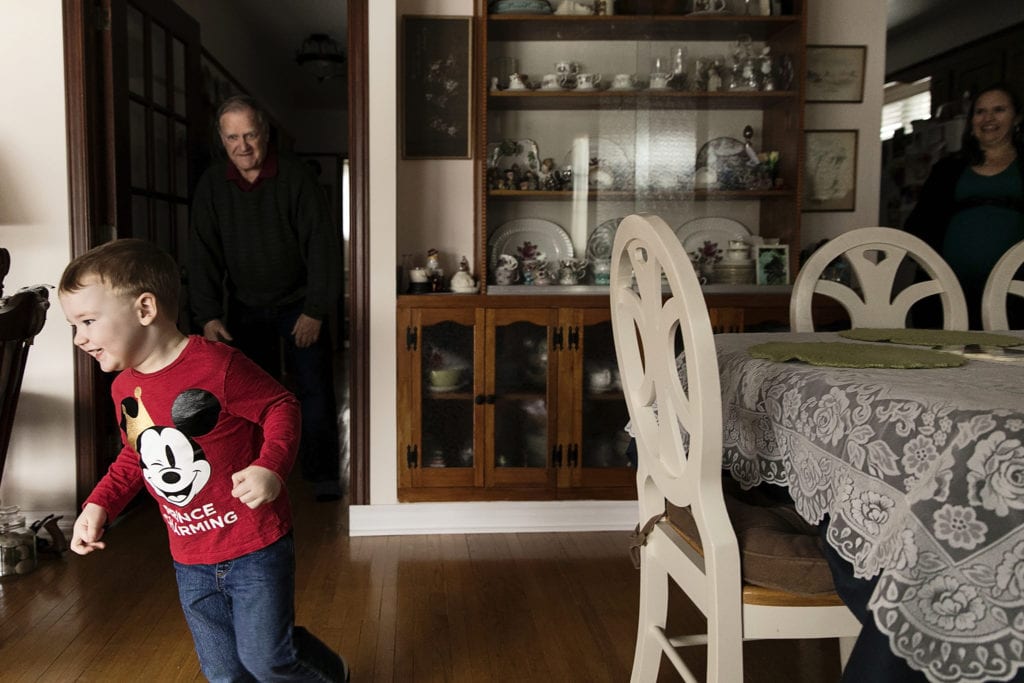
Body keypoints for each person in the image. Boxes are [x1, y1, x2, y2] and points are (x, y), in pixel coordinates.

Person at [59, 238, 349, 682]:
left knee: (267, 660)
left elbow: (281, 406)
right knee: (223, 671)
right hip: (190, 554)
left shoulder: (217, 366)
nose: (79, 338)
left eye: (88, 321)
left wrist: (271, 465)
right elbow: (137, 457)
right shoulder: (124, 389)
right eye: (73, 326)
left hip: (255, 545)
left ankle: (326, 670)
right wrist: (99, 504)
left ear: (145, 309)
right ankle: (280, 643)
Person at [188, 95, 343, 501]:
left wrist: (315, 310)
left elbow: (323, 247)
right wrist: (207, 315)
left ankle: (322, 475)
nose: (243, 145)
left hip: (299, 306)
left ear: (265, 134)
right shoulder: (212, 185)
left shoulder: (296, 178)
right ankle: (256, 475)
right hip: (244, 305)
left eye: (250, 134)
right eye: (232, 137)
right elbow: (201, 253)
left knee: (314, 391)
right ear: (222, 140)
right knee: (248, 398)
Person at [905, 83, 1024, 329]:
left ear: (1017, 117)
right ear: (971, 121)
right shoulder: (948, 168)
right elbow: (919, 224)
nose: (988, 118)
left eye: (999, 110)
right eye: (980, 112)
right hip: (948, 289)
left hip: (1017, 291)